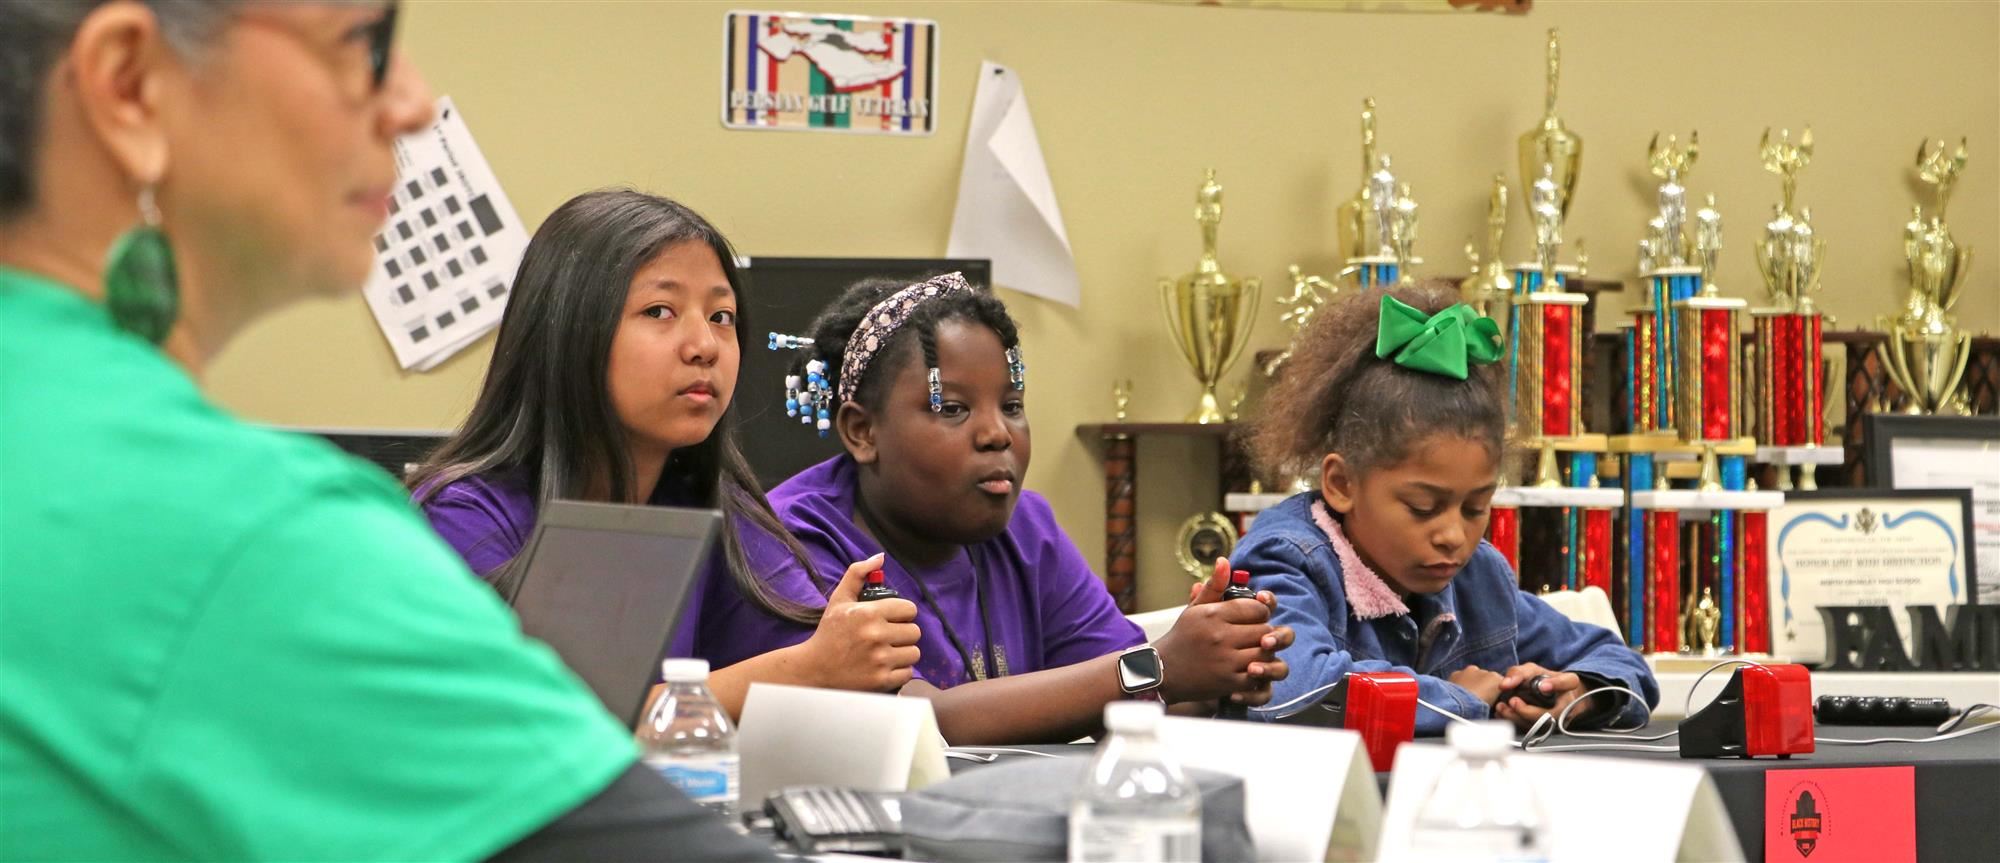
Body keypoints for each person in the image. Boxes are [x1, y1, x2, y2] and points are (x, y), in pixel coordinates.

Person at [0, 2, 769, 859]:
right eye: (364, 46)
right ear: (130, 85)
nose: (410, 104)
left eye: (722, 317)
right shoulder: (256, 532)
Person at [706, 272, 1295, 745]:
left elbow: (1126, 689)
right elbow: (919, 725)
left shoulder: (1027, 529)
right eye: (954, 409)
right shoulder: (790, 536)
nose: (998, 435)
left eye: (1012, 405)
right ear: (862, 432)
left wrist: (1218, 666)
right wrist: (1163, 667)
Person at [410, 188, 919, 718]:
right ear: (567, 332)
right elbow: (544, 724)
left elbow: (809, 653)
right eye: (660, 310)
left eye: (722, 316)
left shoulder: (713, 505)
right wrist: (808, 669)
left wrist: (852, 646)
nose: (704, 345)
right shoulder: (461, 516)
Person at [1234, 282, 1658, 735]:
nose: (1454, 536)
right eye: (1422, 507)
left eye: (1475, 508)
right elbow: (1294, 690)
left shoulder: (1478, 577)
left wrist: (1580, 694)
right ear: (1341, 484)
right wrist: (1460, 700)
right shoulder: (1285, 562)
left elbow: (1620, 662)